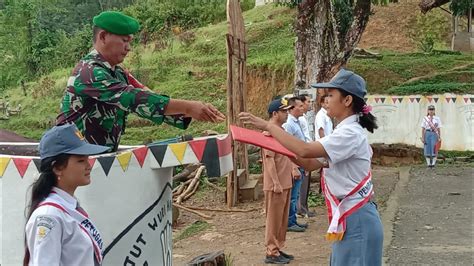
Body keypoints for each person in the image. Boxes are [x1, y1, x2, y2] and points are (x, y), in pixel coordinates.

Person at [239, 68, 383, 266]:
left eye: (330, 95)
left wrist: (270, 127)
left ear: (347, 100)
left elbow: (306, 150)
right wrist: (276, 141)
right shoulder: (345, 131)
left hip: (356, 217)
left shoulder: (349, 133)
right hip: (351, 215)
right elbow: (308, 163)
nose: (325, 100)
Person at [56, 11, 225, 151]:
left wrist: (193, 111)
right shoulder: (89, 72)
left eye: (130, 41)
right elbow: (134, 99)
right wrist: (188, 107)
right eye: (124, 40)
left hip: (96, 159)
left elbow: (146, 96)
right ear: (103, 37)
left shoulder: (118, 73)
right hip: (70, 160)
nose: (129, 47)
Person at [24, 123, 110, 265]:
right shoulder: (49, 215)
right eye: (81, 160)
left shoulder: (68, 207)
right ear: (57, 168)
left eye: (87, 159)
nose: (89, 166)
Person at [262, 98, 300, 264]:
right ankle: (271, 251)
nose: (287, 114)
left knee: (282, 220)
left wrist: (293, 168)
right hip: (275, 184)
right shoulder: (269, 133)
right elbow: (269, 160)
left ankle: (278, 247)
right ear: (274, 113)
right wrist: (276, 182)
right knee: (273, 219)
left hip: (285, 181)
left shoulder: (281, 132)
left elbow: (287, 154)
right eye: (284, 111)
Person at [282, 97, 308, 232]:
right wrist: (293, 167)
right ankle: (289, 222)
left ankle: (293, 220)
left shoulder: (297, 122)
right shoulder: (289, 125)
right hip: (294, 164)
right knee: (292, 196)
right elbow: (286, 148)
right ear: (292, 108)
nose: (303, 108)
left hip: (300, 162)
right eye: (300, 106)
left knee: (296, 194)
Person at [296, 94, 316, 218]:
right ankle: (301, 209)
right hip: (303, 153)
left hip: (308, 152)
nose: (309, 104)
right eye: (307, 101)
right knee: (302, 184)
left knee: (304, 184)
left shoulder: (303, 118)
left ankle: (303, 207)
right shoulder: (299, 120)